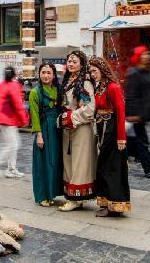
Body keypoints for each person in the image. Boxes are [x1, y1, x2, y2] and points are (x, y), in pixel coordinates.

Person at [88, 57, 131, 217]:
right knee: (104, 167)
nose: (92, 74)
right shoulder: (99, 87)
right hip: (102, 131)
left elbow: (120, 112)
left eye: (94, 71)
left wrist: (121, 138)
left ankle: (114, 205)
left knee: (112, 168)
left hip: (112, 131)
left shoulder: (113, 87)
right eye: (91, 72)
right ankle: (106, 203)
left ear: (102, 70)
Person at [58, 51, 97, 212]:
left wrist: (71, 117)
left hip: (81, 128)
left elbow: (90, 108)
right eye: (69, 61)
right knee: (69, 161)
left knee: (79, 163)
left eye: (75, 61)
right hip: (68, 127)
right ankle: (72, 196)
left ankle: (76, 198)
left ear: (82, 64)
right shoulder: (68, 81)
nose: (71, 64)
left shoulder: (85, 83)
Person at [0, 66, 29, 180]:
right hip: (7, 118)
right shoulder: (13, 86)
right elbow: (18, 105)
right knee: (12, 145)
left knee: (10, 145)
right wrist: (24, 120)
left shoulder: (0, 85)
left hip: (1, 118)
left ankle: (11, 169)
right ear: (14, 75)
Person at [125, 46, 150, 180]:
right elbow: (131, 95)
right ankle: (149, 170)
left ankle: (130, 159)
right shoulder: (133, 73)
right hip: (136, 116)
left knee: (132, 142)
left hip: (141, 115)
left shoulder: (145, 71)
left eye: (148, 53)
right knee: (142, 143)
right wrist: (133, 114)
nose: (147, 56)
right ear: (138, 56)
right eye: (144, 54)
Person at [30, 63, 63, 207]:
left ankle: (52, 192)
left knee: (55, 162)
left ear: (54, 75)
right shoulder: (35, 92)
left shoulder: (58, 90)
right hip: (44, 129)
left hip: (57, 130)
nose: (46, 75)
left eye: (49, 73)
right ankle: (42, 195)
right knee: (43, 163)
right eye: (43, 72)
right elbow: (34, 115)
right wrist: (39, 135)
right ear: (39, 74)